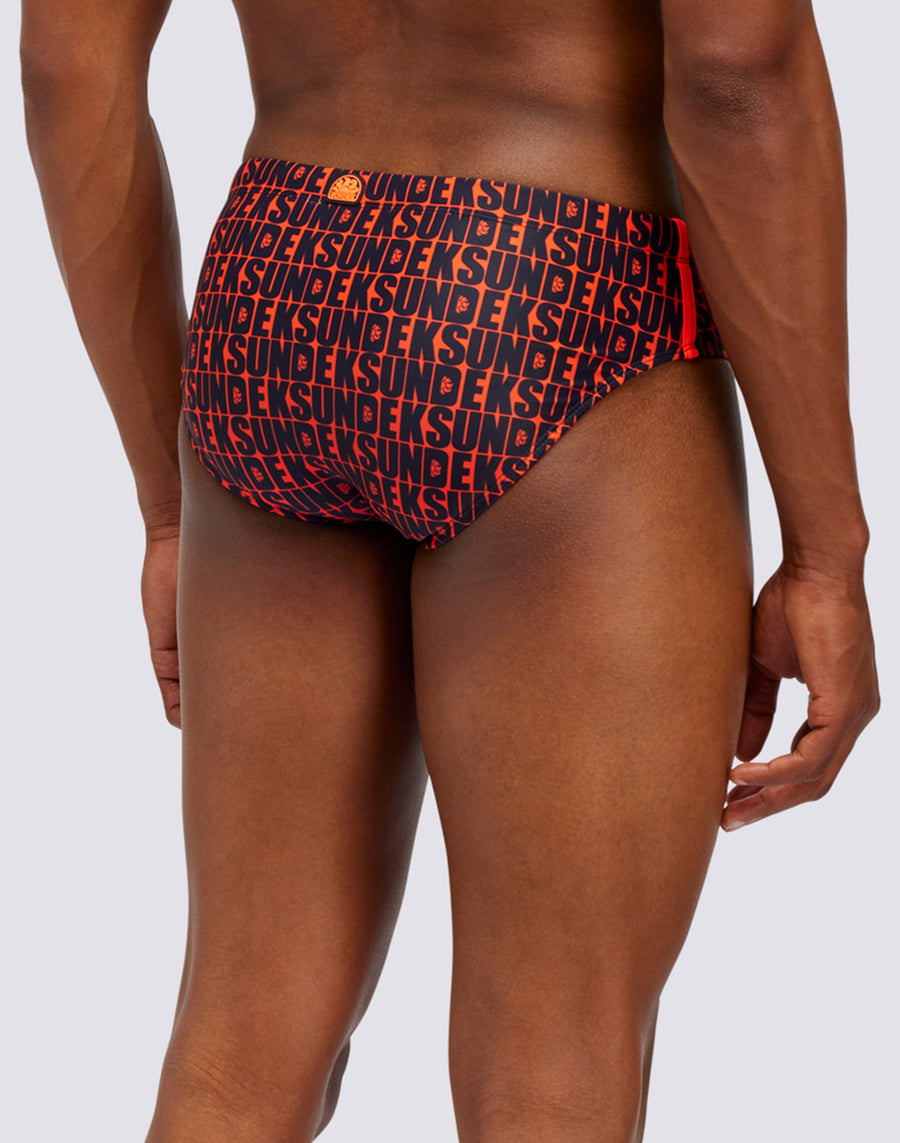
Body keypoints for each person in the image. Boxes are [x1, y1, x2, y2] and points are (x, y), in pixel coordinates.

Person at [20, 0, 879, 1140]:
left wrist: (168, 505)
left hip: (274, 282)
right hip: (550, 285)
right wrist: (824, 555)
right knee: (553, 1054)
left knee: (238, 1046)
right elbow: (737, 64)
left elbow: (66, 67)